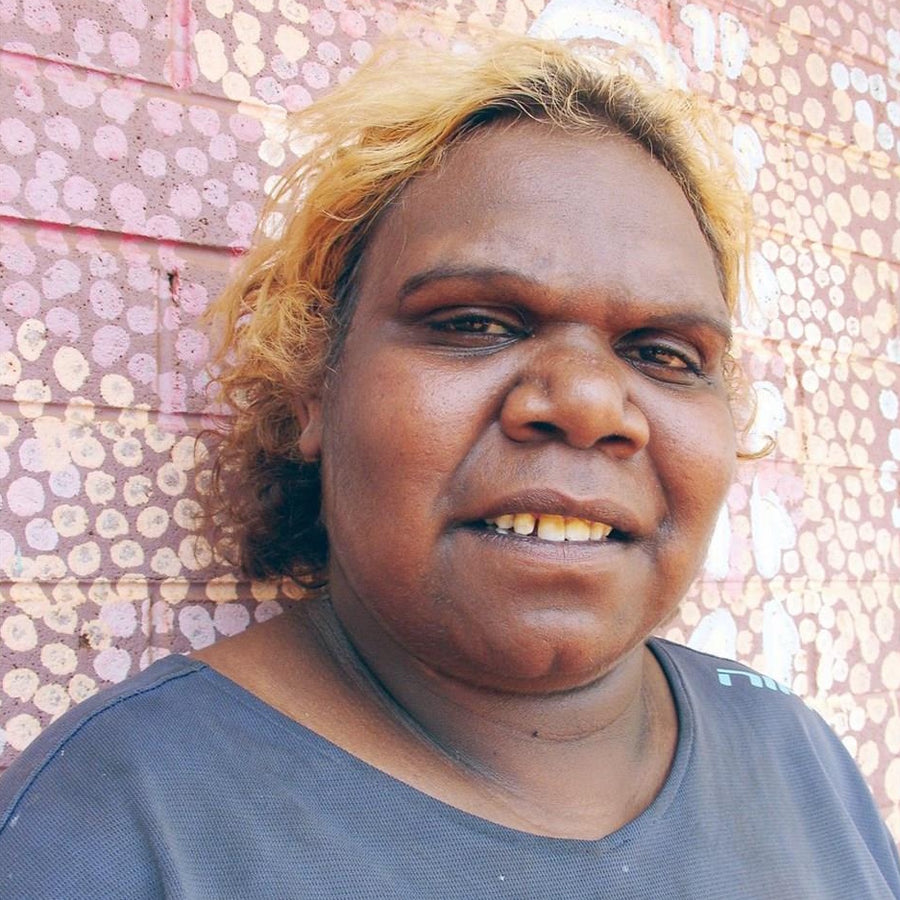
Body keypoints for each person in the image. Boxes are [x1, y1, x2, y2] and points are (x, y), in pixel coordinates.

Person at [0, 34, 898, 899]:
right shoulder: (116, 824)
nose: (587, 404)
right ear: (314, 382)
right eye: (473, 323)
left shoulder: (794, 755)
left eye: (663, 353)